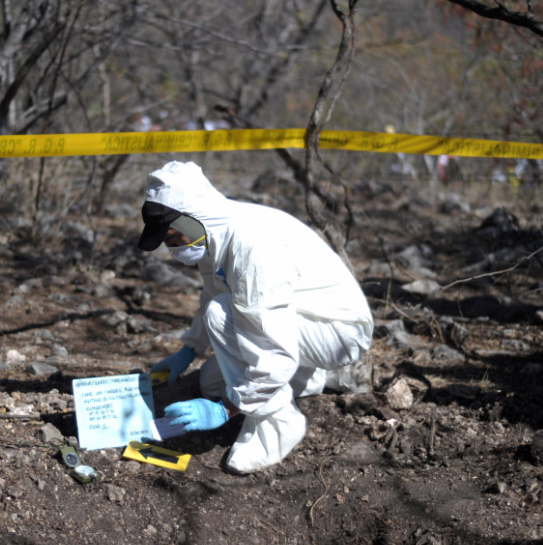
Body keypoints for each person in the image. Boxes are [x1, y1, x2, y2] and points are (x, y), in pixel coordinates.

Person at [137, 160, 374, 473]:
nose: (171, 248)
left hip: (337, 331)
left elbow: (273, 350)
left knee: (223, 316)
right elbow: (212, 292)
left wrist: (226, 409)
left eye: (172, 237)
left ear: (191, 218)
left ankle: (278, 425)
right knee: (211, 383)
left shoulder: (252, 247)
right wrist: (189, 349)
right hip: (301, 319)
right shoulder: (214, 234)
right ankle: (309, 377)